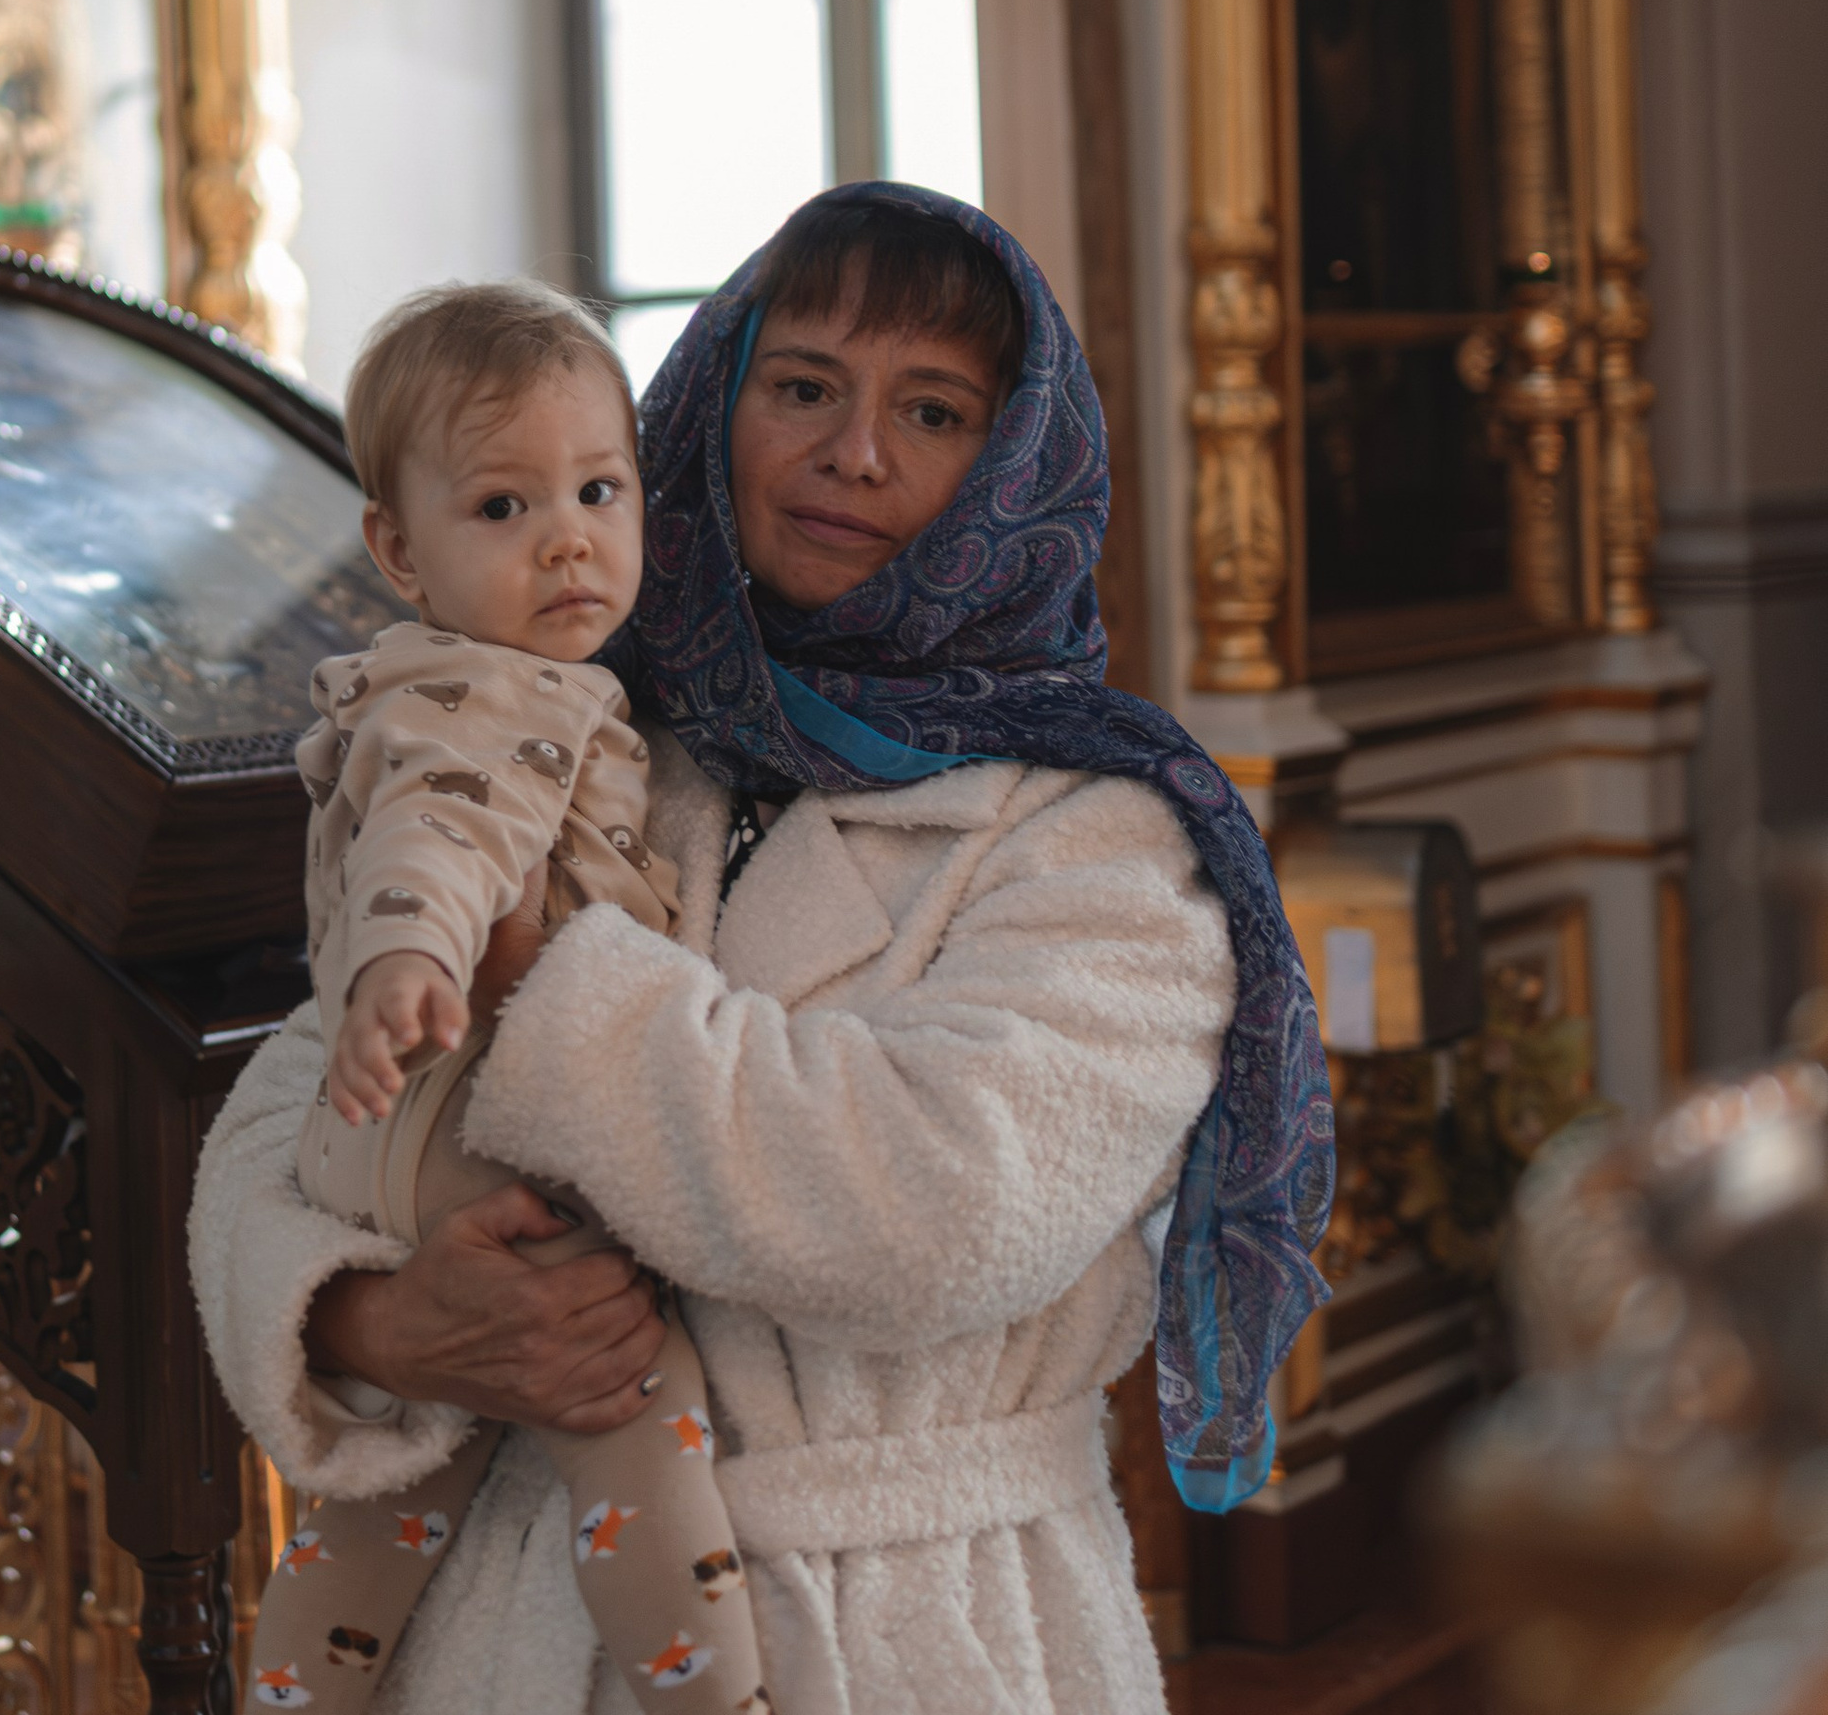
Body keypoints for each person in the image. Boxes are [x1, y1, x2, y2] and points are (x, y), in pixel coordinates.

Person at [192, 183, 1333, 1714]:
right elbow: (286, 1110)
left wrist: (541, 989)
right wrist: (372, 1319)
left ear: (1013, 468)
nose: (854, 451)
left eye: (931, 411)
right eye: (802, 387)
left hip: (917, 1626)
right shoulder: (573, 721)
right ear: (711, 405)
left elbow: (941, 1208)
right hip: (510, 1626)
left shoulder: (1104, 835)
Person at [247, 281, 767, 1715]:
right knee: (630, 1398)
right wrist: (408, 964)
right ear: (398, 551)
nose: (567, 539)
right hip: (472, 1129)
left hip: (399, 1153)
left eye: (601, 491)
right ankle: (713, 1696)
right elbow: (436, 838)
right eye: (501, 507)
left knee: (398, 1488)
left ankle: (294, 1689)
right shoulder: (484, 696)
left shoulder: (505, 684)